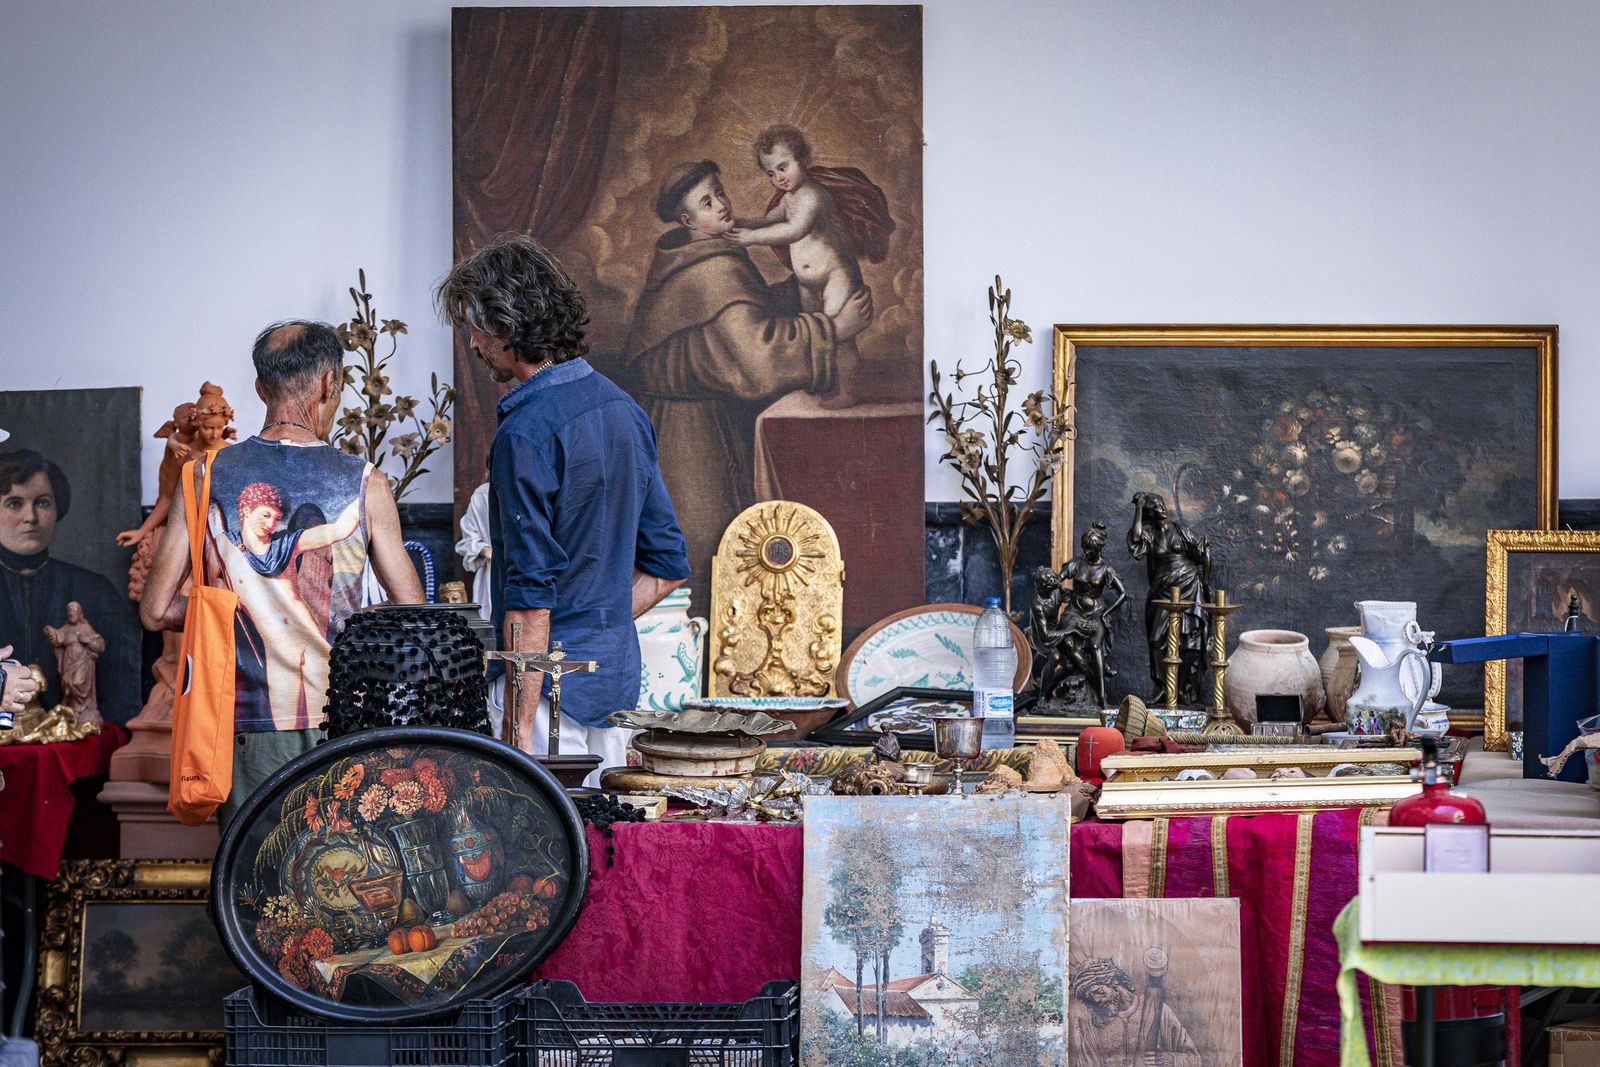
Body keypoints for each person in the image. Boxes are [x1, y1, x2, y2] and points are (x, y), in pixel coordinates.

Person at [141, 321, 423, 824]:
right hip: (344, 721)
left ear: (258, 388)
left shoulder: (202, 475)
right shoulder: (365, 483)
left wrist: (235, 612)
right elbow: (411, 612)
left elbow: (156, 608)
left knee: (253, 885)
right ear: (329, 384)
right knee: (340, 880)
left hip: (242, 727)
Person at [438, 234, 690, 771]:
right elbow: (667, 568)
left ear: (505, 327)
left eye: (475, 330)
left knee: (539, 849)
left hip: (546, 707)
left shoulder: (525, 431)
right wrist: (593, 628)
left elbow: (530, 599)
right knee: (608, 849)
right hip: (613, 694)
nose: (475, 345)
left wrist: (516, 736)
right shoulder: (625, 411)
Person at [622, 159, 873, 608]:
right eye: (706, 202)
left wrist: (800, 289)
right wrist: (833, 329)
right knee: (704, 553)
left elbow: (737, 323)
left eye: (719, 192)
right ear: (686, 221)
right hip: (691, 442)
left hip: (695, 423)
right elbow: (756, 356)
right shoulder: (710, 271)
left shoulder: (695, 257)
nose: (721, 205)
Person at [725, 125, 891, 408]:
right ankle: (827, 383)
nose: (778, 178)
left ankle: (848, 391)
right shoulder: (789, 199)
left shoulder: (814, 196)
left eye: (783, 167)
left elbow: (794, 230)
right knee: (819, 332)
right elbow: (770, 221)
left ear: (802, 160)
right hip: (807, 283)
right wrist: (742, 223)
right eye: (771, 173)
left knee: (842, 336)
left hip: (836, 276)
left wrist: (751, 238)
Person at [0, 449, 140, 722]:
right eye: (14, 503)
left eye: (42, 503)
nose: (30, 516)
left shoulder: (95, 590)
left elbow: (122, 698)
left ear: (58, 509)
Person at [1070, 956, 1201, 1067]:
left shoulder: (1161, 1012)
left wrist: (1170, 1060)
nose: (1097, 1001)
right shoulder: (1094, 1027)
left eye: (1099, 991)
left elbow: (1195, 1060)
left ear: (1114, 981)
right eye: (1090, 998)